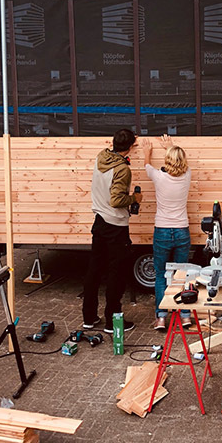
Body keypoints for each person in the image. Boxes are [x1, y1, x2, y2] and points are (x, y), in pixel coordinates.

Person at [83, 128, 142, 332]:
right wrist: (134, 198)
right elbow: (116, 200)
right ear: (131, 146)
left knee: (94, 270)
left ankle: (89, 318)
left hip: (99, 221)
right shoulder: (122, 169)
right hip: (115, 226)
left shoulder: (102, 157)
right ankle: (112, 321)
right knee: (116, 274)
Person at [143, 134, 193, 331]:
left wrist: (147, 152)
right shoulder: (187, 175)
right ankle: (186, 316)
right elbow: (179, 162)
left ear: (167, 161)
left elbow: (147, 166)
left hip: (162, 231)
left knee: (161, 274)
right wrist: (170, 146)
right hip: (182, 230)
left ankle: (161, 318)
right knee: (182, 275)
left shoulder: (158, 176)